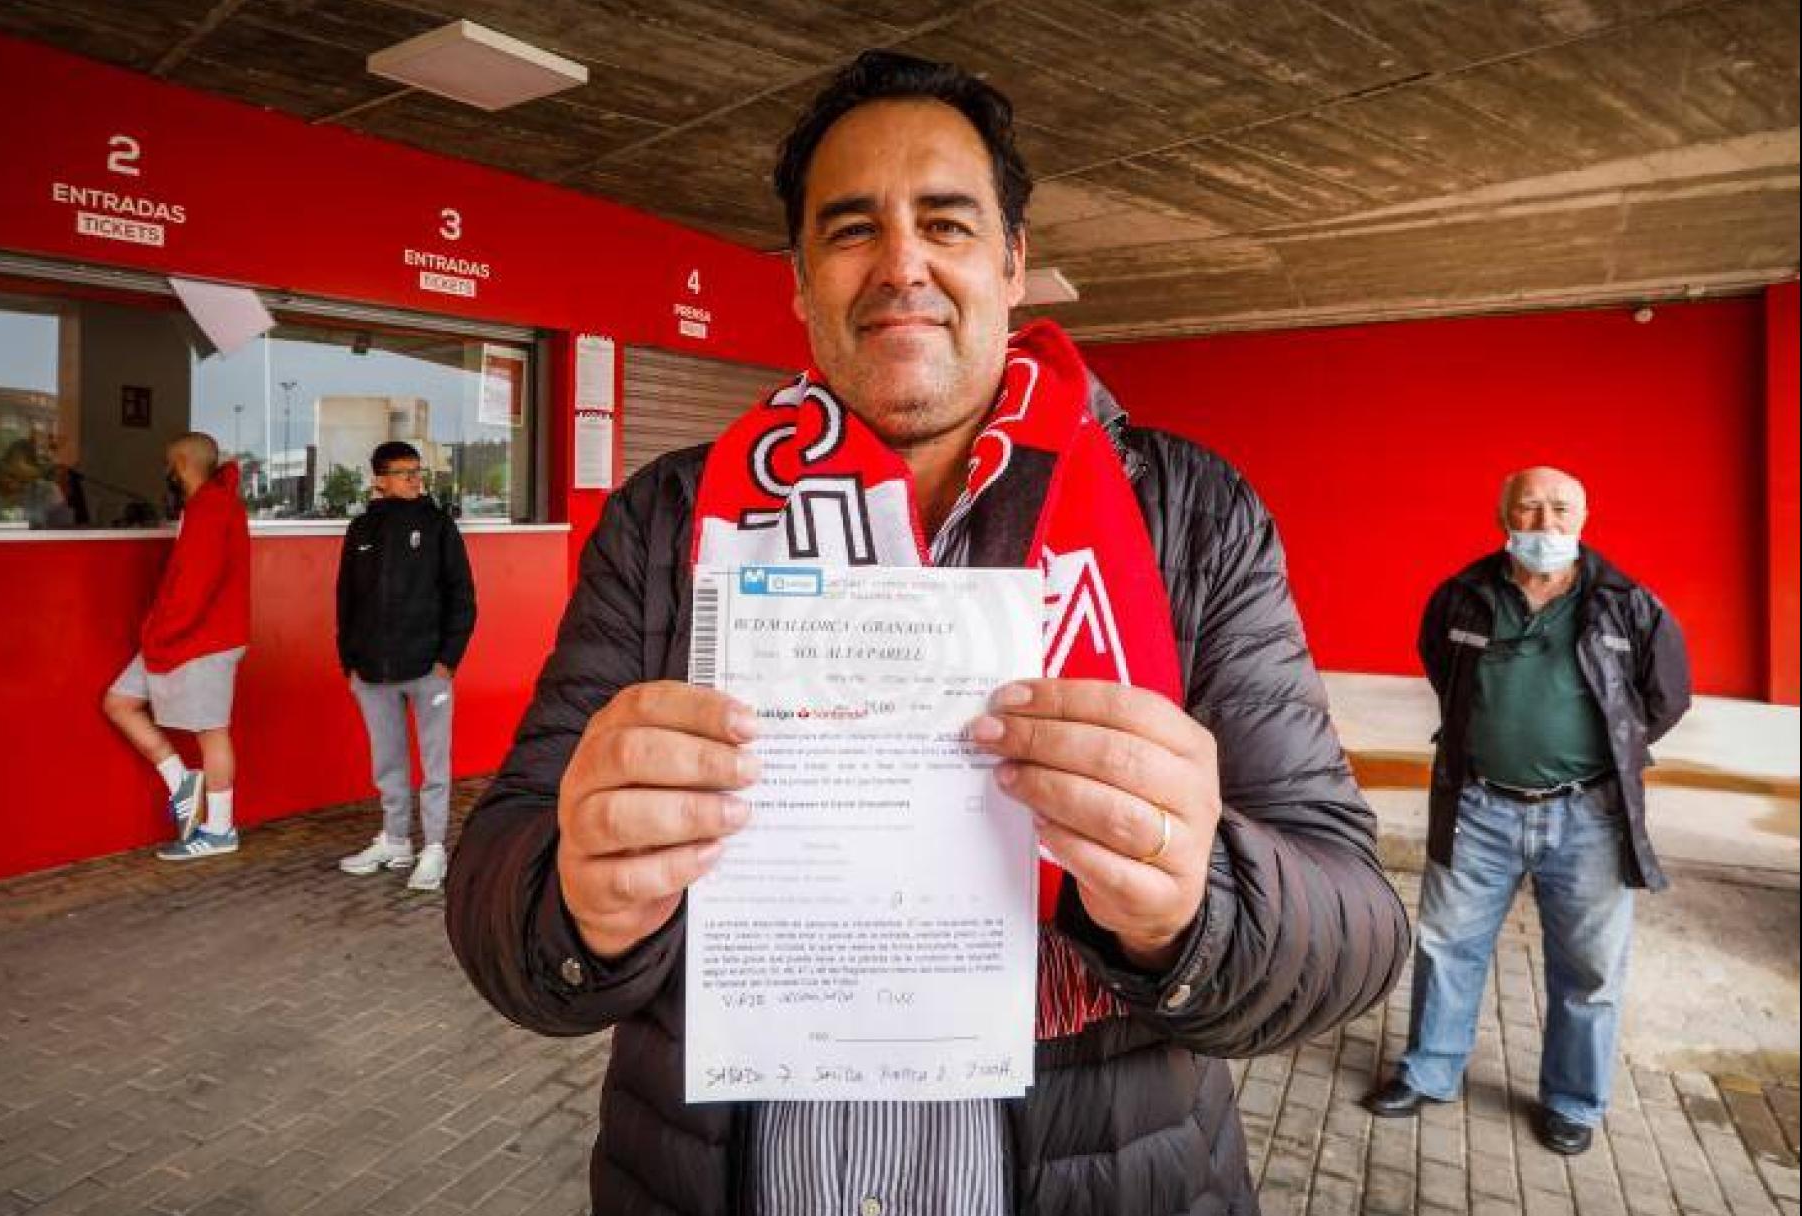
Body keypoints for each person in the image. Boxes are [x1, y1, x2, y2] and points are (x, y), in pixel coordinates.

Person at [446, 51, 1409, 1215]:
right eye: (852, 229)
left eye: (945, 223)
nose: (902, 264)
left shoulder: (1187, 516)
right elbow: (501, 889)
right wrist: (574, 908)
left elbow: (1354, 923)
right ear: (800, 282)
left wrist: (1195, 904)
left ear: (1011, 265)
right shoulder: (665, 523)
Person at [1364, 466, 1690, 1156]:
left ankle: (1573, 1101)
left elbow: (1666, 698)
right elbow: (1440, 667)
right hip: (1479, 805)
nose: (1545, 524)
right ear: (1503, 516)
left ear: (1585, 515)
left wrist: (1593, 751)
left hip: (1589, 816)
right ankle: (1429, 1071)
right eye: (1530, 509)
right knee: (1447, 946)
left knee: (1590, 970)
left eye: (1560, 508)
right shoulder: (1462, 597)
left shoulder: (1628, 603)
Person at [334, 441, 477, 892]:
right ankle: (396, 841)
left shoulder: (437, 526)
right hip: (372, 672)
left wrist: (447, 661)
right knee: (388, 763)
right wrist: (349, 661)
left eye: (418, 472)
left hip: (427, 670)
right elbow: (346, 600)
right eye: (404, 473)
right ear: (379, 478)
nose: (416, 480)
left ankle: (434, 847)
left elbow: (463, 597)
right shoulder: (360, 530)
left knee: (435, 765)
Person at [102, 432, 252, 860]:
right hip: (179, 637)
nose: (166, 470)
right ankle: (180, 778)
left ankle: (220, 831)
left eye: (169, 462)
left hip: (204, 640)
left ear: (183, 461)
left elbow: (195, 586)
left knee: (212, 733)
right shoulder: (208, 504)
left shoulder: (211, 507)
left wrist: (159, 633)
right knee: (119, 701)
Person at [0, 437, 73, 527]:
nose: (14, 485)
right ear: (1, 464)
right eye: (10, 476)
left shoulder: (48, 492)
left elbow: (65, 532)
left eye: (25, 482)